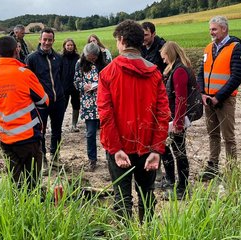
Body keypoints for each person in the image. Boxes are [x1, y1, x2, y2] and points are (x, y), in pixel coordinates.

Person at [97, 20, 170, 223]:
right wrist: (156, 149)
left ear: (121, 40)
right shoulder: (155, 73)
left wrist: (115, 148)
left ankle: (124, 234)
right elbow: (163, 114)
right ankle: (146, 231)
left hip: (119, 146)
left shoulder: (107, 73)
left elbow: (105, 114)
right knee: (146, 194)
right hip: (147, 146)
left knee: (122, 197)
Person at [0, 36, 49, 189]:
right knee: (32, 183)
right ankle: (34, 209)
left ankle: (18, 210)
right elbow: (44, 101)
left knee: (17, 183)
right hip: (28, 137)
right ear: (17, 50)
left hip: (5, 137)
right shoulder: (24, 73)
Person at [197, 16, 241, 181]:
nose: (211, 32)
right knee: (213, 134)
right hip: (208, 99)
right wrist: (202, 93)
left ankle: (232, 172)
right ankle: (212, 168)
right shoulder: (208, 48)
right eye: (210, 29)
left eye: (214, 29)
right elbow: (201, 73)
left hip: (225, 100)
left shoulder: (235, 48)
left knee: (228, 137)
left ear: (224, 29)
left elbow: (236, 77)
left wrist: (219, 97)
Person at [26, 28, 65, 169]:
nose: (47, 42)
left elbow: (61, 77)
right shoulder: (32, 59)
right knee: (40, 132)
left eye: (50, 40)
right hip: (40, 103)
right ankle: (42, 160)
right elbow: (28, 81)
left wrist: (61, 94)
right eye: (45, 39)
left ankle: (55, 157)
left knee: (57, 130)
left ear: (53, 41)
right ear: (40, 39)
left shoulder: (59, 58)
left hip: (58, 101)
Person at [160, 41, 193, 200]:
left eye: (164, 57)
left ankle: (182, 187)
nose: (164, 60)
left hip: (176, 120)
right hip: (173, 118)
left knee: (179, 152)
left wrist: (178, 123)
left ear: (170, 54)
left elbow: (181, 98)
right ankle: (172, 180)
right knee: (169, 149)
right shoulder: (176, 69)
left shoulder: (179, 71)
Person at [74, 42, 107, 172]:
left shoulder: (104, 64)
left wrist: (100, 85)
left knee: (106, 132)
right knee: (90, 133)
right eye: (89, 57)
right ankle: (92, 159)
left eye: (94, 57)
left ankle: (109, 157)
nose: (91, 59)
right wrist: (84, 86)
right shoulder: (80, 63)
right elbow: (76, 81)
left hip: (103, 101)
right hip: (88, 103)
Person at [61, 38, 80, 132]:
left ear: (74, 46)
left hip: (75, 86)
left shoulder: (78, 57)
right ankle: (59, 124)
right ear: (65, 46)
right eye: (68, 45)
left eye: (71, 45)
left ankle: (74, 124)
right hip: (64, 86)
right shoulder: (60, 57)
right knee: (62, 106)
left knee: (76, 104)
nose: (70, 47)